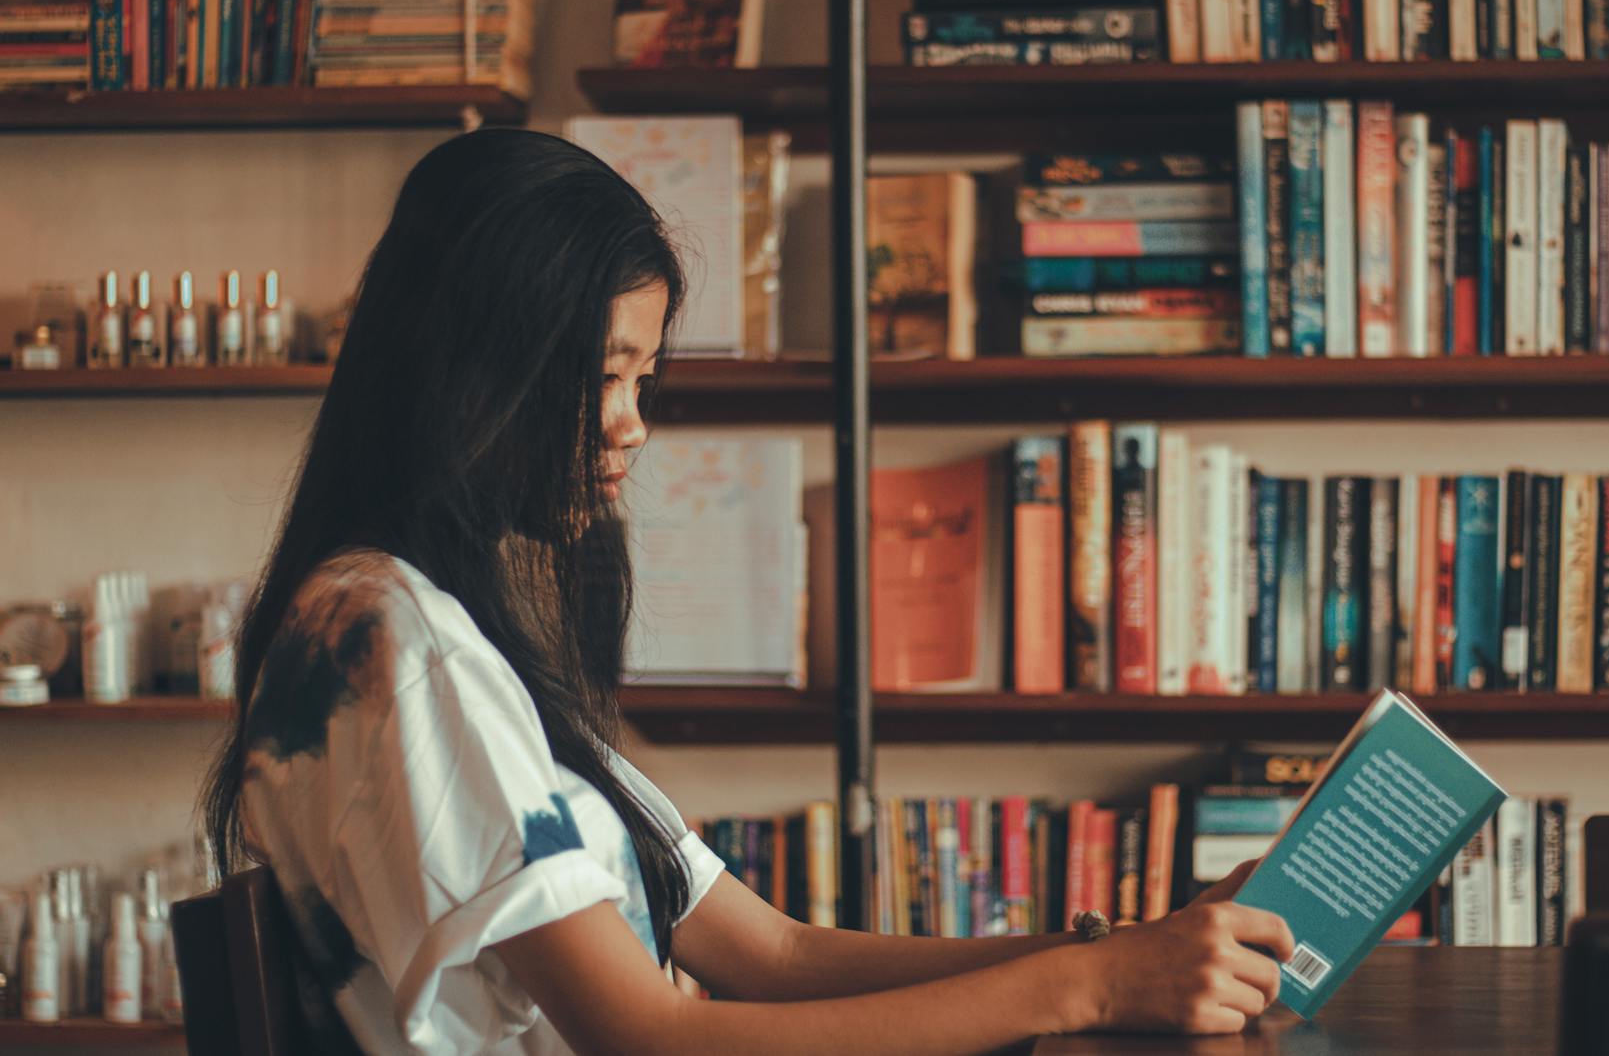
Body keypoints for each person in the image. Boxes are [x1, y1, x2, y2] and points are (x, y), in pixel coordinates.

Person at [202, 129, 1294, 1054]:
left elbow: (772, 949)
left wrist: (1121, 950)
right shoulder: (392, 638)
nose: (632, 423)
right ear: (477, 362)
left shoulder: (427, 630)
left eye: (643, 378)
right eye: (604, 375)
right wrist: (1094, 988)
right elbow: (647, 1035)